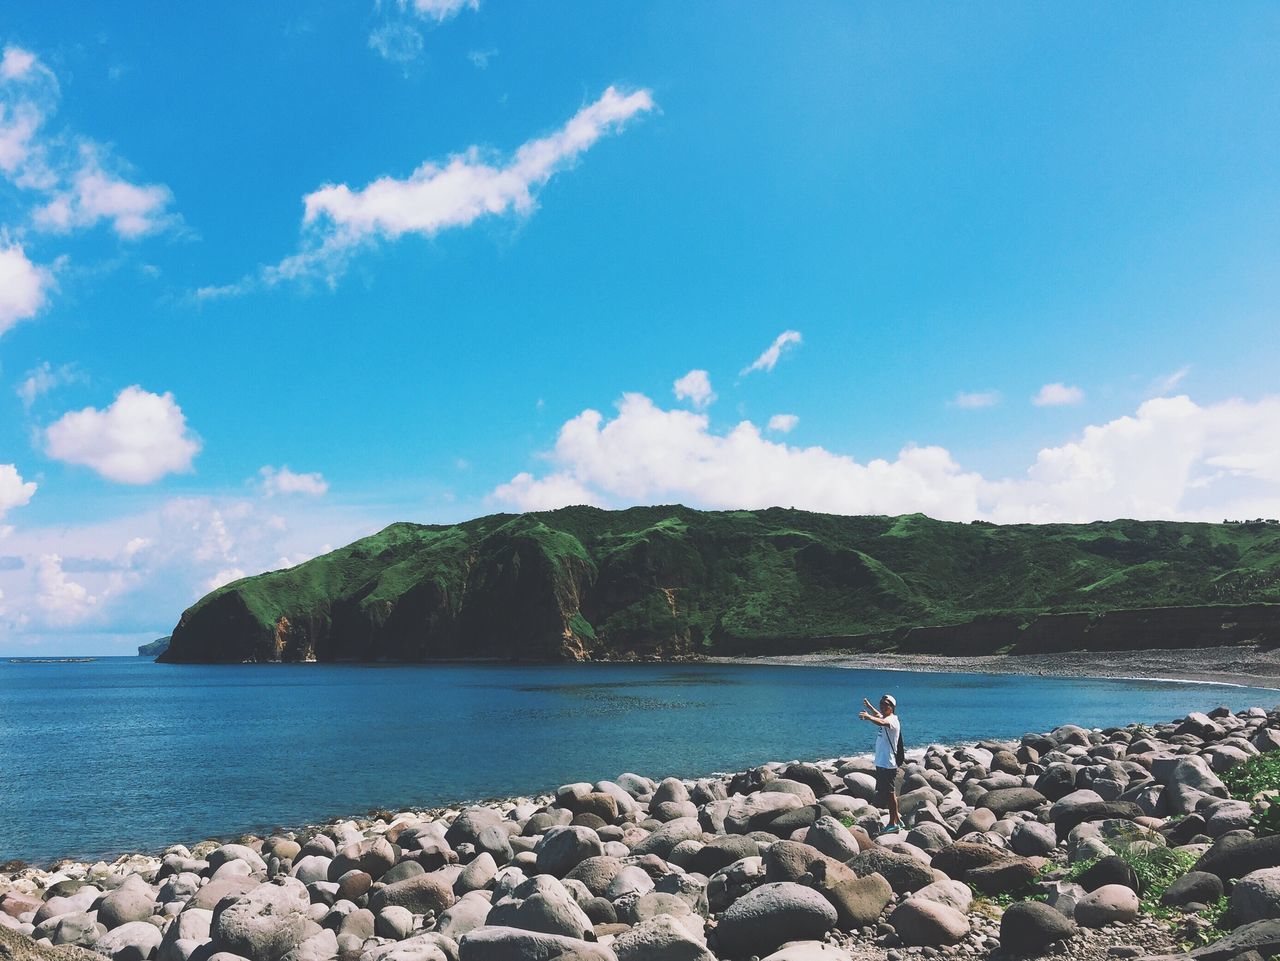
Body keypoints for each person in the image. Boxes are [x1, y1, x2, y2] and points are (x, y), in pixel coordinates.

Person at [858, 693, 902, 833]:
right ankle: (898, 821)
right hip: (883, 761)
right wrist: (870, 707)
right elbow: (879, 715)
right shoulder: (887, 716)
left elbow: (881, 722)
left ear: (892, 707)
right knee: (889, 792)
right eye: (881, 704)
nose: (883, 707)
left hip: (888, 763)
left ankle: (892, 823)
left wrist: (868, 716)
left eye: (886, 705)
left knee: (889, 793)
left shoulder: (892, 720)